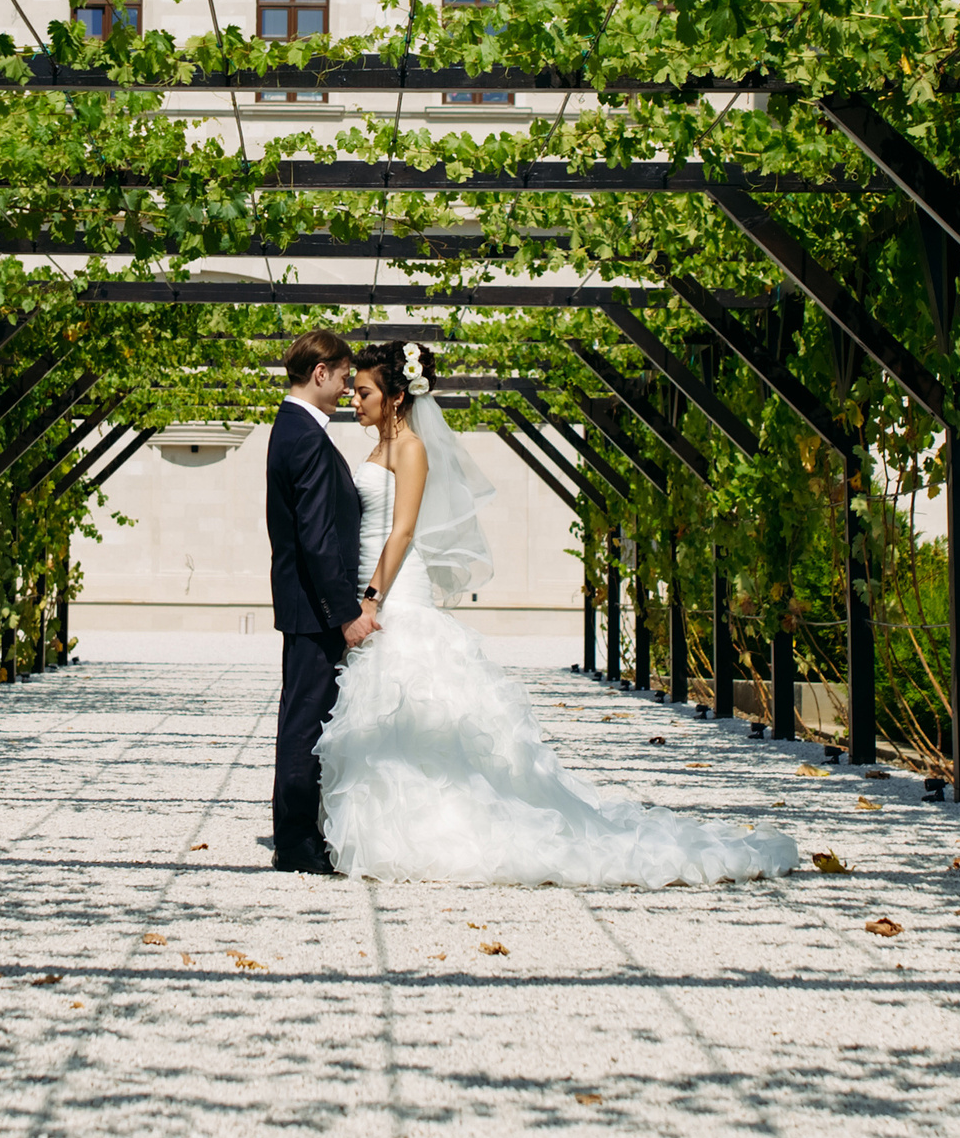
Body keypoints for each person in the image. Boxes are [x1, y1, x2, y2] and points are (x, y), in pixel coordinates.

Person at [316, 341, 801, 886]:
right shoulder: (379, 447)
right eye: (355, 392)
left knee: (415, 703)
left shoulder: (411, 449)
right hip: (374, 585)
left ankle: (434, 829)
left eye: (364, 392)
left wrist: (373, 596)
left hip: (397, 592)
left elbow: (402, 530)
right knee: (385, 714)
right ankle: (390, 828)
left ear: (397, 396)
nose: (354, 401)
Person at [263, 329, 377, 876]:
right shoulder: (304, 435)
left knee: (305, 717)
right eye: (344, 377)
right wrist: (346, 613)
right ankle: (297, 844)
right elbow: (316, 536)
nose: (348, 389)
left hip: (307, 605)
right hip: (315, 608)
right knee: (306, 723)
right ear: (320, 373)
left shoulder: (296, 428)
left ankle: (302, 833)